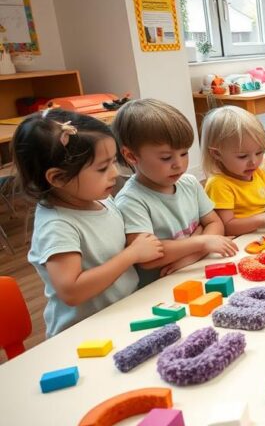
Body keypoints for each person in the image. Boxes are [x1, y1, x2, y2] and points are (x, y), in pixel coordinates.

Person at [16, 110, 162, 337]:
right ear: (58, 178)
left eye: (113, 161)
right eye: (102, 168)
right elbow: (72, 291)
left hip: (122, 316)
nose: (115, 173)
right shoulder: (57, 226)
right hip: (83, 335)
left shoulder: (102, 201)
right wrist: (132, 254)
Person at [113, 100, 236, 287]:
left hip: (196, 271)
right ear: (131, 156)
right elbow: (147, 257)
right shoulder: (131, 200)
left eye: (184, 153)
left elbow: (215, 223)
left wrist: (191, 254)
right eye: (166, 157)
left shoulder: (189, 182)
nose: (179, 164)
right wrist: (202, 241)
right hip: (161, 289)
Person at [201, 106, 265, 236]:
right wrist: (262, 219)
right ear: (216, 154)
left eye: (259, 153)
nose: (253, 162)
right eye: (242, 156)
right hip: (241, 240)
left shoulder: (258, 172)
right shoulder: (218, 184)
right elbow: (227, 226)